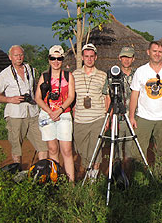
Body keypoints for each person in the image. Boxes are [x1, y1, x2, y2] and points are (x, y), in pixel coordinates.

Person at [0, 45, 48, 166]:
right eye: (16, 55)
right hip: (15, 114)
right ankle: (17, 172)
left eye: (21, 55)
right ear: (10, 57)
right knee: (16, 147)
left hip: (33, 112)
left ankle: (41, 173)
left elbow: (35, 89)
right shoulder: (5, 74)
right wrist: (10, 99)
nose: (19, 57)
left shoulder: (31, 70)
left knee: (43, 145)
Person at [129, 41, 162, 166]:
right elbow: (134, 95)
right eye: (154, 51)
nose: (157, 54)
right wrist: (131, 117)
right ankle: (140, 180)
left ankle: (160, 180)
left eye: (160, 52)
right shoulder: (141, 71)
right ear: (148, 52)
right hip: (143, 117)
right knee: (138, 151)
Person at [34, 45, 76, 182]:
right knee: (52, 149)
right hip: (48, 115)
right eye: (53, 58)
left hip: (63, 114)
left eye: (59, 58)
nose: (56, 61)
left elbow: (71, 96)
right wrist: (50, 112)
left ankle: (70, 184)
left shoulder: (68, 76)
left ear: (63, 59)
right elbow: (38, 98)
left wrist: (60, 110)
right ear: (49, 59)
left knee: (67, 150)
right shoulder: (44, 76)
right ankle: (55, 180)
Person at [72, 43, 108, 180]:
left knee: (96, 147)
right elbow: (72, 96)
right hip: (80, 118)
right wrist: (74, 113)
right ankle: (87, 168)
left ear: (96, 57)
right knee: (81, 148)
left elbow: (107, 98)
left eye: (91, 56)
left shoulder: (102, 75)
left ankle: (94, 173)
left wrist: (107, 118)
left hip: (98, 117)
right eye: (86, 56)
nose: (89, 59)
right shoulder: (74, 75)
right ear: (82, 57)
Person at [103, 46, 136, 162]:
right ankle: (118, 177)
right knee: (117, 153)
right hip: (118, 119)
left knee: (130, 153)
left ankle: (130, 177)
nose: (126, 60)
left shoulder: (137, 75)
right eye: (124, 57)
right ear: (119, 58)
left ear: (133, 59)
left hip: (133, 119)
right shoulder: (113, 75)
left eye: (129, 57)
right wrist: (110, 119)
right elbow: (108, 97)